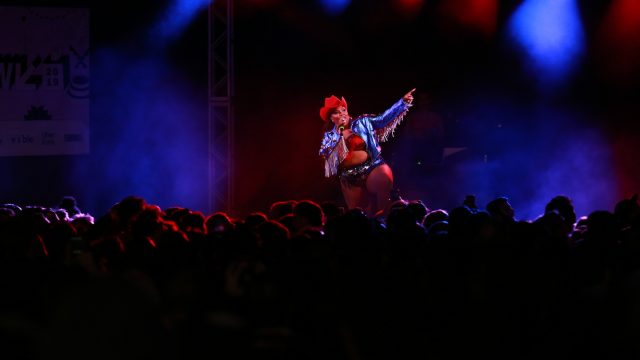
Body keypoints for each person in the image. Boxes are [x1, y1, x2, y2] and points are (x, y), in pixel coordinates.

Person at [319, 88, 415, 217]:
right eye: (337, 112)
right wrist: (342, 135)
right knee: (360, 214)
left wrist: (402, 103)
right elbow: (330, 164)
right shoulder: (329, 137)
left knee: (384, 203)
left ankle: (389, 220)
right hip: (349, 177)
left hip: (373, 167)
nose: (342, 114)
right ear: (331, 118)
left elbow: (383, 118)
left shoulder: (362, 121)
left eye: (344, 110)